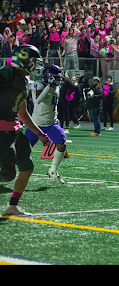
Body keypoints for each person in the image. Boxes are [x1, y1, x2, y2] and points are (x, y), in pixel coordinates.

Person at [0, 45, 50, 216]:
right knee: (7, 175)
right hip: (1, 131)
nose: (37, 66)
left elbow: (22, 112)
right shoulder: (5, 75)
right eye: (34, 61)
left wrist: (39, 133)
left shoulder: (23, 81)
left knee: (27, 167)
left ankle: (12, 206)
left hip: (14, 130)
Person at [26, 64, 67, 184]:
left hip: (51, 123)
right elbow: (37, 101)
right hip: (36, 124)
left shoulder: (56, 87)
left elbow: (53, 105)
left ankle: (53, 170)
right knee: (23, 150)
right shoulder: (38, 85)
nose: (58, 79)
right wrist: (49, 87)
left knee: (61, 144)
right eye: (56, 77)